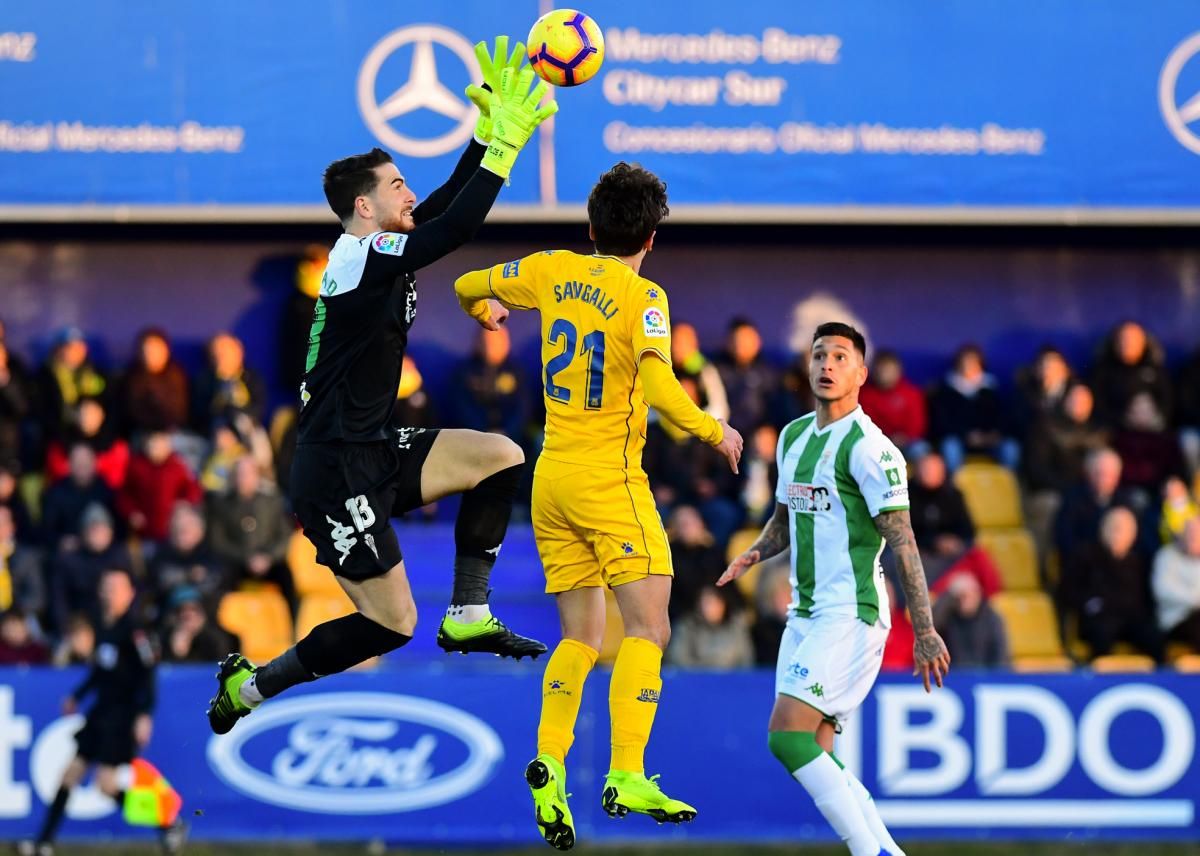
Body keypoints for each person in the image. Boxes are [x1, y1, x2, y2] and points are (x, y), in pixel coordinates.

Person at [206, 40, 558, 736]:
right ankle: (253, 686)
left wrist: (484, 136)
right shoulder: (360, 257)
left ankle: (468, 612)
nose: (408, 193)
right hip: (332, 468)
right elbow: (453, 227)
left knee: (502, 456)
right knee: (393, 622)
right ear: (365, 208)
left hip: (369, 444)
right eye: (397, 185)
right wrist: (507, 150)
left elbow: (435, 216)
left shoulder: (376, 248)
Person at [454, 161, 743, 847]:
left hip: (550, 477)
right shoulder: (645, 298)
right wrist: (714, 428)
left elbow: (468, 283)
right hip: (609, 478)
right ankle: (627, 771)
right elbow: (664, 390)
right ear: (650, 238)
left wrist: (484, 309)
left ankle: (550, 759)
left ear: (590, 227)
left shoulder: (554, 268)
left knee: (581, 637)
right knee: (649, 629)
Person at [718, 321, 949, 856]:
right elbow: (784, 518)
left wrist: (926, 629)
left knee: (786, 737)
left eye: (840, 357)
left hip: (851, 612)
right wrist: (756, 552)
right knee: (817, 747)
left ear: (861, 374)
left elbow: (904, 541)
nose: (827, 365)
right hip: (803, 613)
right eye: (819, 354)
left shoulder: (872, 449)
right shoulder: (795, 436)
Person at [20, 568, 185, 856]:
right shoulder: (102, 627)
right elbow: (100, 671)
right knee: (69, 775)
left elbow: (149, 675)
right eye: (106, 586)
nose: (109, 592)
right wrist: (77, 696)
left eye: (116, 587)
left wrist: (144, 714)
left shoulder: (136, 631)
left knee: (105, 786)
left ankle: (169, 823)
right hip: (100, 713)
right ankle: (43, 844)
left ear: (129, 593)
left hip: (121, 717)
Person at [1059, 506, 1163, 662]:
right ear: (1103, 529)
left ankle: (1161, 683)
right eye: (1114, 528)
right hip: (1099, 618)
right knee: (1102, 635)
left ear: (1133, 535)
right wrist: (1089, 604)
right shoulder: (1085, 556)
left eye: (1124, 529)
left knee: (1154, 636)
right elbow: (1067, 590)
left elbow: (1147, 599)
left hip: (1130, 618)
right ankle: (1099, 684)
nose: (1118, 533)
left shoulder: (1138, 562)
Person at [928, 344, 1018, 472]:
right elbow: (941, 423)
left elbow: (1002, 418)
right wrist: (966, 435)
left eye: (972, 362)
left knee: (1010, 448)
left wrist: (992, 435)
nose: (967, 366)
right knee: (950, 447)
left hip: (988, 441)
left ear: (980, 364)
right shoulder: (945, 390)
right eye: (964, 362)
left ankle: (1009, 486)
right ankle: (953, 487)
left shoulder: (990, 390)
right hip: (960, 440)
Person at [932, 573, 1009, 668]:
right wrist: (948, 598)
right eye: (958, 597)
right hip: (953, 675)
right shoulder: (949, 616)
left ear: (977, 593)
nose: (963, 601)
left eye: (966, 596)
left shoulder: (991, 618)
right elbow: (932, 629)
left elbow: (1000, 654)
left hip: (985, 675)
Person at [1151, 516, 1200, 650]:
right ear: (1182, 534)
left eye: (1197, 534)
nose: (1193, 538)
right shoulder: (1166, 556)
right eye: (1190, 533)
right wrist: (1195, 599)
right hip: (1176, 620)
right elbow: (1163, 590)